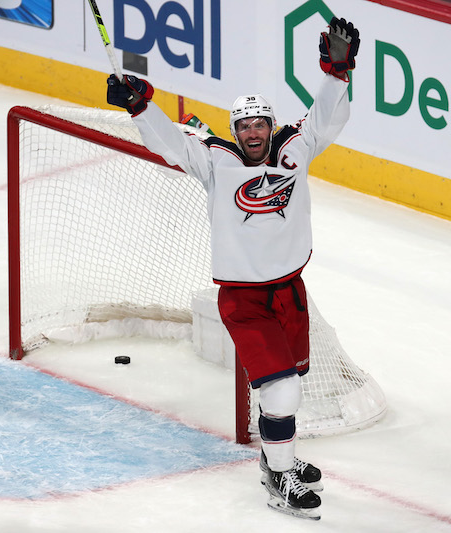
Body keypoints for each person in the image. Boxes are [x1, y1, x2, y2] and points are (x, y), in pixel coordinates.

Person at [106, 17, 360, 520]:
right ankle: (279, 483)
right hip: (244, 300)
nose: (252, 133)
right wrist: (141, 106)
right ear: (234, 132)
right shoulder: (215, 162)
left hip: (290, 291)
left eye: (259, 124)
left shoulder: (294, 149)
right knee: (281, 388)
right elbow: (170, 143)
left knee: (289, 386)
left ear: (270, 125)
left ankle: (275, 461)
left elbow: (327, 118)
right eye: (243, 126)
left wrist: (336, 72)